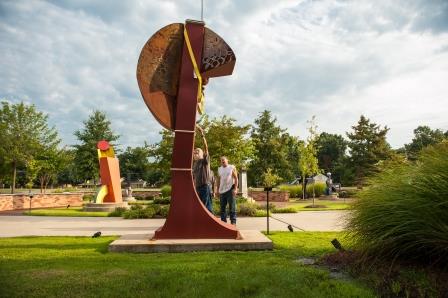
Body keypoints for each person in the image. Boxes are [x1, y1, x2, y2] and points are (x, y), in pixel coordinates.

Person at [192, 125, 213, 213]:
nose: (195, 153)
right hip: (197, 187)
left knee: (206, 208)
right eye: (194, 152)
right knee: (200, 208)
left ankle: (210, 224)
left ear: (202, 154)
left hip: (205, 186)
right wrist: (193, 135)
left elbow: (206, 148)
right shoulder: (194, 164)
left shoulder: (204, 161)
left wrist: (202, 134)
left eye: (198, 152)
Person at [217, 156, 238, 225]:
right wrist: (217, 190)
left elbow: (236, 178)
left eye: (224, 160)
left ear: (227, 160)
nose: (222, 161)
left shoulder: (231, 167)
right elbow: (218, 180)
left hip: (230, 189)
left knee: (232, 207)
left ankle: (233, 222)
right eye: (221, 160)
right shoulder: (219, 169)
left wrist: (235, 189)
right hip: (222, 190)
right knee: (222, 208)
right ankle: (223, 223)